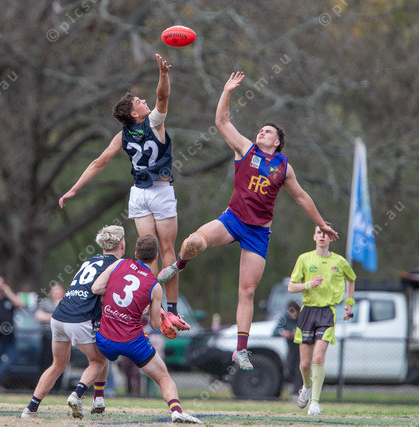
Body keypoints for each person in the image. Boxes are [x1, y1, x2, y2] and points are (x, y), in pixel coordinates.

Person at [158, 71, 338, 371]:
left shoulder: (284, 168)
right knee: (192, 242)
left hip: (258, 233)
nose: (261, 132)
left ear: (277, 142)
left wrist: (321, 223)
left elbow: (302, 197)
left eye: (268, 132)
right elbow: (222, 121)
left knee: (248, 292)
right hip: (233, 220)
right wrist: (227, 91)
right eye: (261, 130)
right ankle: (179, 265)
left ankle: (240, 350)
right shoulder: (245, 148)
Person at [58, 54, 188, 339]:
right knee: (166, 251)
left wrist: (74, 188)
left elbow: (98, 163)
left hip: (139, 194)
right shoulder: (152, 123)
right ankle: (170, 310)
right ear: (134, 114)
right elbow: (163, 96)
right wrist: (163, 74)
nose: (144, 101)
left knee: (151, 252)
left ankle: (157, 311)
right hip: (158, 192)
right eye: (139, 102)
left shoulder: (124, 135)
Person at [91, 235, 201, 424]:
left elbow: (97, 288)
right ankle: (176, 411)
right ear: (156, 256)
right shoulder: (154, 285)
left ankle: (95, 397)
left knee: (98, 362)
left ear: (135, 254)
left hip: (108, 336)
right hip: (134, 341)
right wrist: (152, 311)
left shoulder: (120, 263)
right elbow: (155, 325)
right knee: (163, 377)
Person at [21, 225, 125, 419]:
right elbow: (101, 291)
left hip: (59, 315)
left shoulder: (90, 260)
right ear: (122, 244)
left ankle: (30, 409)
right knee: (99, 360)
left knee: (57, 365)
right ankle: (77, 395)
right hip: (79, 317)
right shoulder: (118, 265)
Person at [288, 222, 356, 416]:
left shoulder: (339, 261)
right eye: (319, 232)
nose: (322, 236)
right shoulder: (304, 258)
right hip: (307, 312)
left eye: (326, 233)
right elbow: (291, 287)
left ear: (331, 237)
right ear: (314, 236)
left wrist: (349, 302)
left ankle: (315, 403)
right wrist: (309, 284)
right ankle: (307, 386)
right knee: (305, 364)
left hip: (327, 313)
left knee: (318, 358)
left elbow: (351, 278)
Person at [273, 300, 303, 398]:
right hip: (291, 348)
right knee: (289, 368)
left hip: (301, 348)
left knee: (299, 370)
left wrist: (298, 333)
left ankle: (297, 392)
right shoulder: (285, 318)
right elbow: (275, 331)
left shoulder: (302, 318)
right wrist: (284, 333)